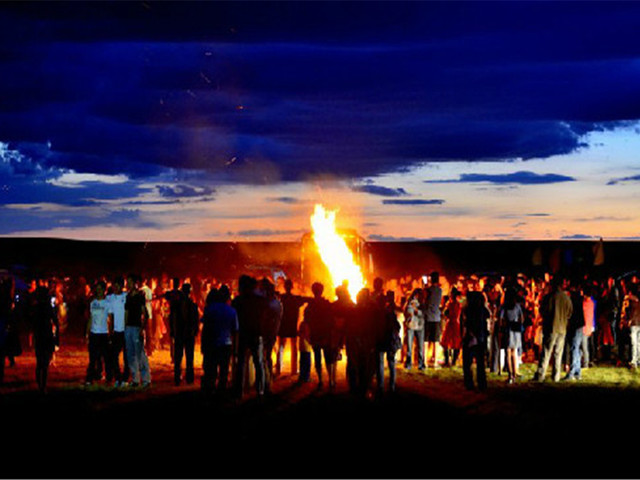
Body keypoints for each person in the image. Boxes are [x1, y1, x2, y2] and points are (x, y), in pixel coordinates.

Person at [232, 275, 267, 398]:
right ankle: (260, 391)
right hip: (256, 334)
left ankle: (239, 391)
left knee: (241, 363)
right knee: (258, 363)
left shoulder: (237, 301)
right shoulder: (259, 300)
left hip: (242, 334)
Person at [200, 285, 238, 395]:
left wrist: (203, 345)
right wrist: (235, 349)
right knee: (224, 370)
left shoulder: (210, 309)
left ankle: (210, 391)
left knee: (211, 369)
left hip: (211, 343)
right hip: (226, 344)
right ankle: (221, 392)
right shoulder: (232, 311)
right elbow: (235, 331)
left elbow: (205, 328)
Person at [534, 277, 573, 382]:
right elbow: (570, 313)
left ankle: (541, 375)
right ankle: (556, 376)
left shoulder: (549, 298)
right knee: (558, 353)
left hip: (551, 328)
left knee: (546, 352)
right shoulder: (566, 298)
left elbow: (543, 311)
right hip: (562, 328)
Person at [304, 282, 336, 390]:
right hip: (325, 336)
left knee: (318, 358)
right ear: (321, 291)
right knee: (328, 359)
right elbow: (332, 321)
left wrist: (308, 337)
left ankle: (321, 380)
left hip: (316, 336)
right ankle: (331, 380)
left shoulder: (310, 306)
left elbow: (306, 323)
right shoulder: (327, 304)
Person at [276, 279, 310, 377]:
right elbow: (307, 299)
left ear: (284, 287)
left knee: (281, 347)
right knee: (294, 347)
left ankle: (278, 369)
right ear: (291, 287)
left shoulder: (281, 298)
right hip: (292, 326)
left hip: (283, 325)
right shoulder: (295, 299)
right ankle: (294, 369)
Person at [31, 285, 59, 393]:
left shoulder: (37, 307)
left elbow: (32, 322)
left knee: (40, 362)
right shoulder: (48, 307)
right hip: (46, 335)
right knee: (45, 363)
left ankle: (40, 384)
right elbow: (55, 321)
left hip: (40, 336)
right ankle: (42, 385)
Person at [125, 274, 151, 388]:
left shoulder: (140, 296)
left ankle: (146, 379)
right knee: (131, 354)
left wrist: (142, 328)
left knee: (140, 353)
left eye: (130, 282)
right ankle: (135, 379)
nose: (128, 284)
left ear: (135, 283)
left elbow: (144, 313)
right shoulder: (128, 296)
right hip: (129, 327)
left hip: (136, 327)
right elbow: (126, 312)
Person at [461, 290, 490, 391]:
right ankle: (481, 383)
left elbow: (465, 324)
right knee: (480, 363)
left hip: (471, 337)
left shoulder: (467, 310)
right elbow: (488, 317)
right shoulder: (482, 310)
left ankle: (469, 383)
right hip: (481, 338)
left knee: (467, 363)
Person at [375, 290, 401, 395]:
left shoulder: (376, 314)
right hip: (390, 341)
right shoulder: (390, 313)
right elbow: (397, 326)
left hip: (380, 341)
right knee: (391, 363)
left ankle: (380, 386)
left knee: (380, 364)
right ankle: (392, 386)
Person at [85, 281, 111, 386]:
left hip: (104, 333)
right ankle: (90, 378)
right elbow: (91, 318)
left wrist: (111, 331)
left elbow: (111, 318)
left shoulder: (107, 303)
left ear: (104, 290)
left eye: (101, 288)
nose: (98, 291)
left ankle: (108, 377)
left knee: (105, 357)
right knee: (93, 357)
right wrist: (87, 332)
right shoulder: (93, 303)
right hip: (94, 333)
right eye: (97, 288)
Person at [173, 283, 199, 386]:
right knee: (189, 357)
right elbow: (195, 320)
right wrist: (194, 331)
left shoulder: (177, 304)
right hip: (188, 334)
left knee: (178, 357)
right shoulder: (192, 304)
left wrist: (174, 332)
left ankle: (177, 377)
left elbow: (174, 319)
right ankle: (189, 377)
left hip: (180, 333)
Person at [261, 279, 282, 394]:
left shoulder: (269, 303)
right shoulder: (276, 303)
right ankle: (268, 381)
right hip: (272, 332)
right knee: (267, 356)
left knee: (264, 357)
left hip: (267, 332)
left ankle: (267, 383)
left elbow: (266, 319)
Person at [499, 288, 523, 384]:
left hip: (508, 330)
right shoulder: (517, 306)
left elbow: (501, 319)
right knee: (514, 353)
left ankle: (510, 376)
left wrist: (501, 328)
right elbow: (522, 318)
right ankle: (514, 373)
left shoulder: (504, 306)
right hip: (516, 330)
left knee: (508, 353)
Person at [107, 276, 128, 387]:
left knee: (127, 357)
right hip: (117, 331)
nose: (115, 287)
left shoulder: (126, 297)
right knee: (114, 355)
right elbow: (110, 316)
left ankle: (124, 378)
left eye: (117, 285)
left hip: (126, 330)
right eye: (114, 285)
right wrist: (110, 332)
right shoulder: (111, 299)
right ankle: (118, 377)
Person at [564, 282, 586, 381]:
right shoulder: (579, 298)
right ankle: (577, 372)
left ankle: (572, 373)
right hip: (580, 325)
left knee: (574, 348)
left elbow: (570, 313)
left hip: (575, 326)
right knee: (576, 348)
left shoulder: (572, 300)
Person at [424, 272, 443, 367]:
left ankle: (425, 362)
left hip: (427, 317)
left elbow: (425, 301)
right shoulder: (440, 290)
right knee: (436, 341)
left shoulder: (427, 290)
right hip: (436, 317)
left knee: (426, 340)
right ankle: (435, 362)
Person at [403, 288, 425, 370]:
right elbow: (407, 311)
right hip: (411, 325)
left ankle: (421, 364)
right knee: (409, 346)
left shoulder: (423, 302)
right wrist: (411, 313)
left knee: (420, 347)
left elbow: (423, 313)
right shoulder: (410, 301)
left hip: (419, 326)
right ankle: (408, 364)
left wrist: (416, 311)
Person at [440, 288, 462, 367]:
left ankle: (448, 360)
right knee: (455, 343)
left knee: (447, 342)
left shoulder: (451, 304)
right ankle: (452, 361)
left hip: (452, 323)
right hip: (455, 323)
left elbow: (447, 313)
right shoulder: (458, 304)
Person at [626, 284, 640, 369]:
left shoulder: (633, 302)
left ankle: (634, 361)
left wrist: (630, 320)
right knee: (638, 343)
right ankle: (638, 360)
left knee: (634, 343)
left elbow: (633, 312)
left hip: (634, 324)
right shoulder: (636, 301)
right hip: (638, 323)